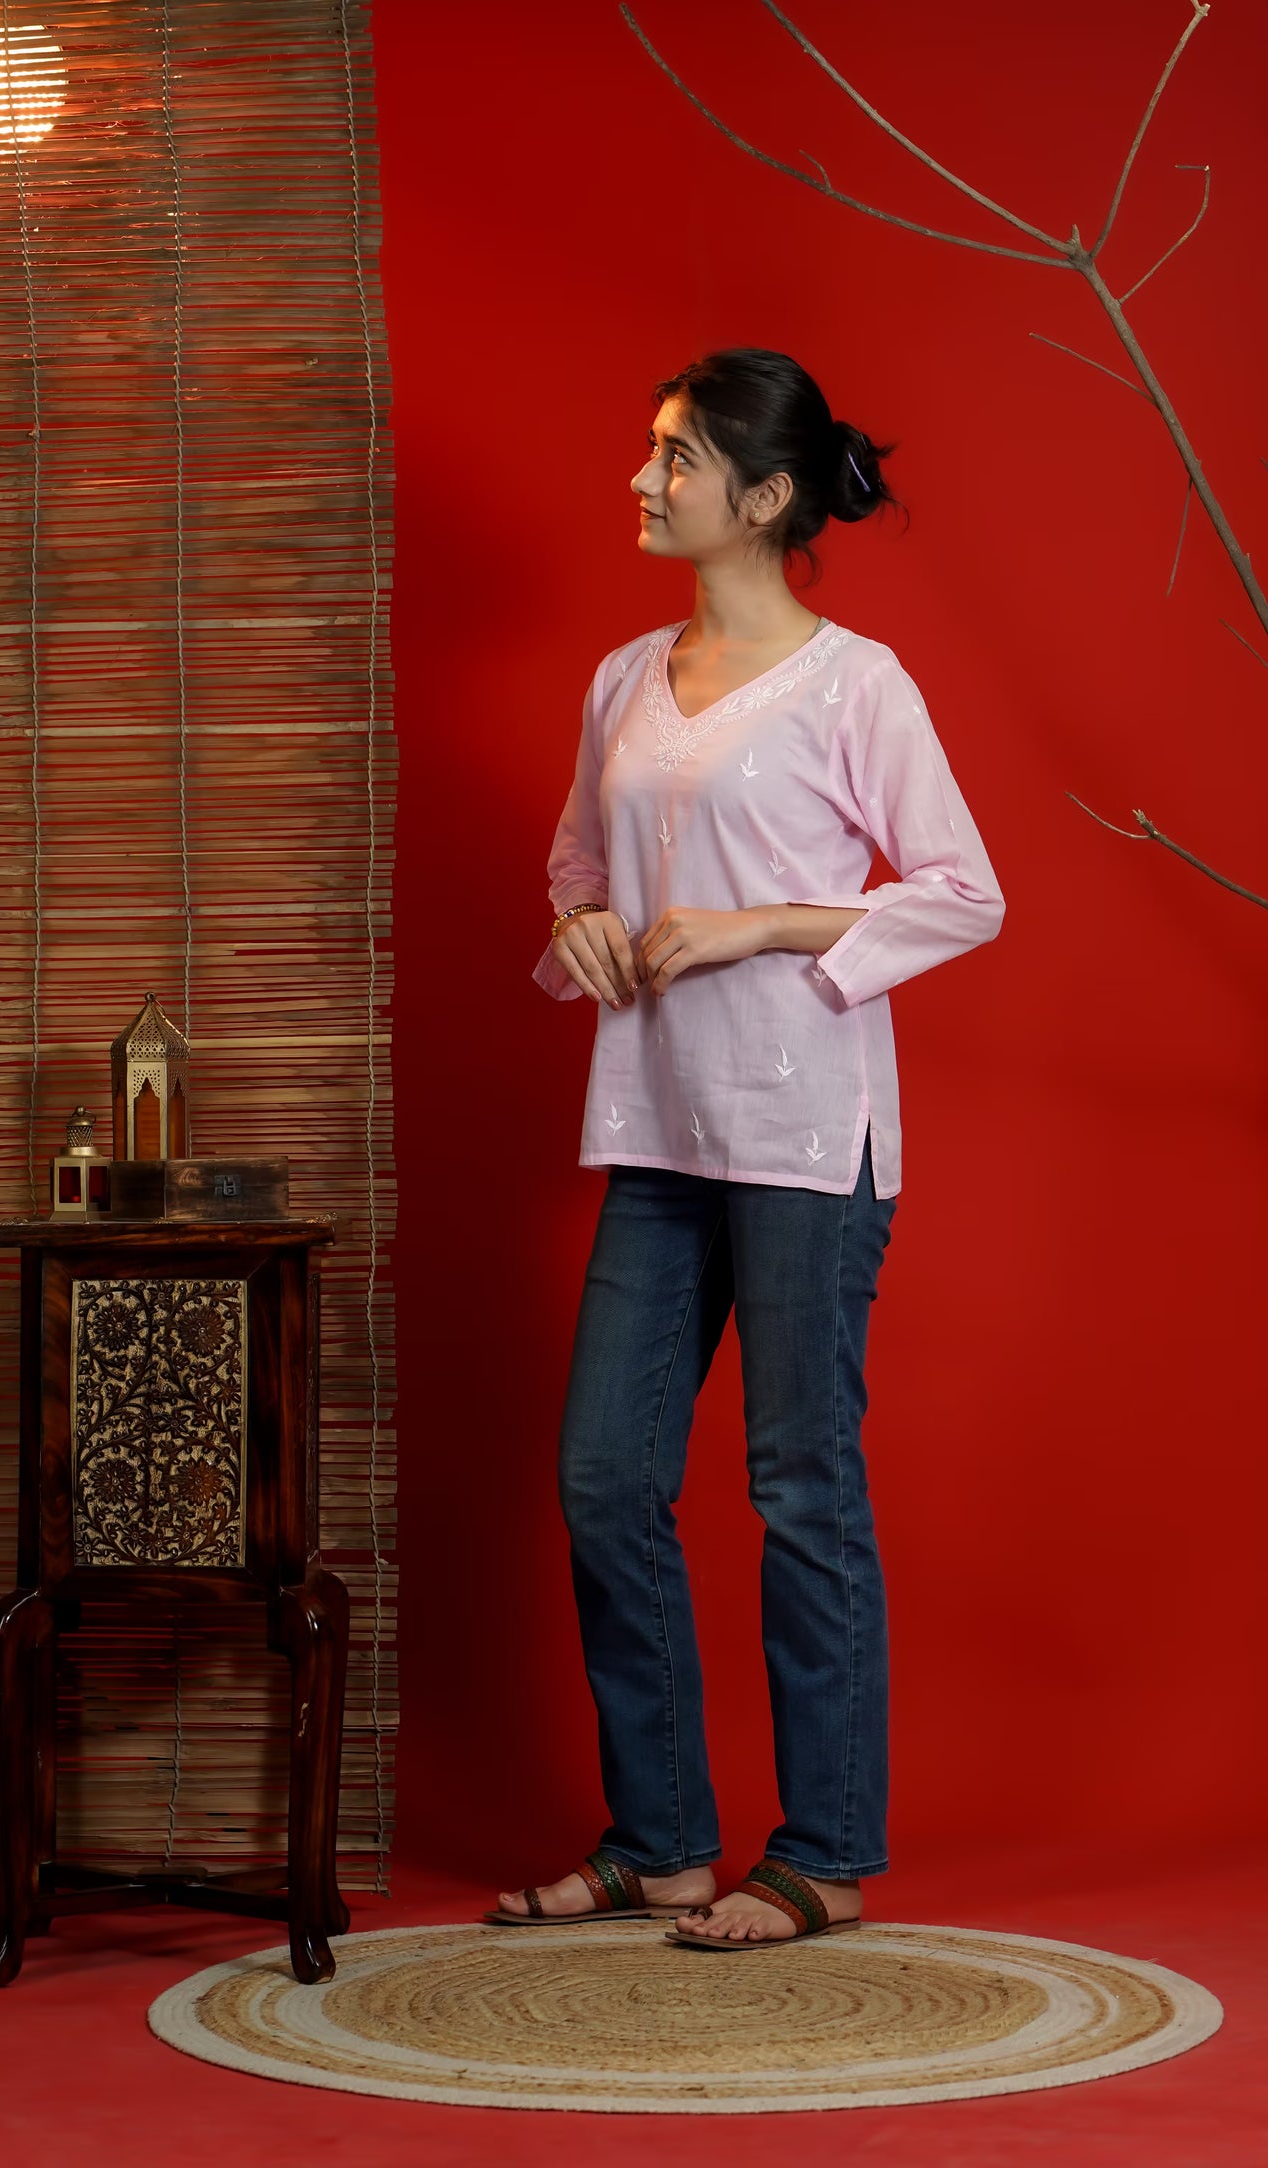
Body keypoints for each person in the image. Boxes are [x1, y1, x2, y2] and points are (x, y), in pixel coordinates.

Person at [487, 346, 1005, 1950]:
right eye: (647, 450)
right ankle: (659, 1839)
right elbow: (582, 861)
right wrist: (579, 927)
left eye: (673, 458)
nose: (640, 481)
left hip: (802, 1130)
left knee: (799, 1486)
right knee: (603, 1481)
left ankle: (824, 1854)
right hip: (655, 1123)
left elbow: (963, 891)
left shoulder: (860, 685)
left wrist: (758, 931)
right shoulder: (621, 677)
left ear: (763, 498)